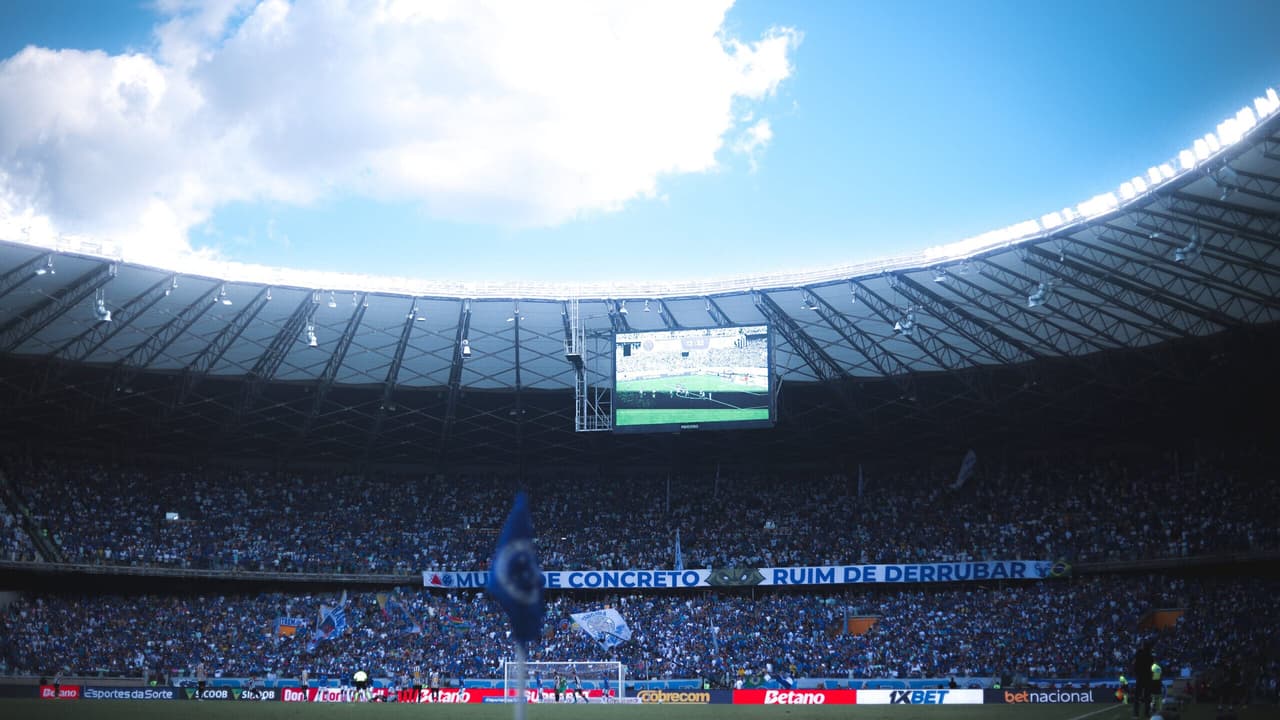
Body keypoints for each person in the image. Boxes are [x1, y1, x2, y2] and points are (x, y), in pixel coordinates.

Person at [1134, 640, 1155, 718]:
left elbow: (1135, 665)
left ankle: (1136, 713)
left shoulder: (1139, 655)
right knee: (1147, 697)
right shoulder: (1150, 656)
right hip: (1148, 678)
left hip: (1140, 677)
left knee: (1137, 696)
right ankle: (1147, 712)